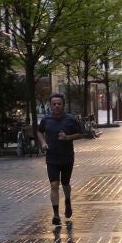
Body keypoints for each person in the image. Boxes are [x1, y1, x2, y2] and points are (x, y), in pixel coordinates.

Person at [37, 93, 86, 226]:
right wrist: (43, 143)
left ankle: (67, 200)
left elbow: (80, 134)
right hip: (51, 158)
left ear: (63, 105)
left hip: (66, 157)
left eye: (59, 104)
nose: (57, 106)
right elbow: (39, 131)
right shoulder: (46, 120)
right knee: (54, 184)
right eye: (54, 104)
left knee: (65, 184)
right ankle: (56, 214)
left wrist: (67, 137)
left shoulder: (71, 119)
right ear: (51, 105)